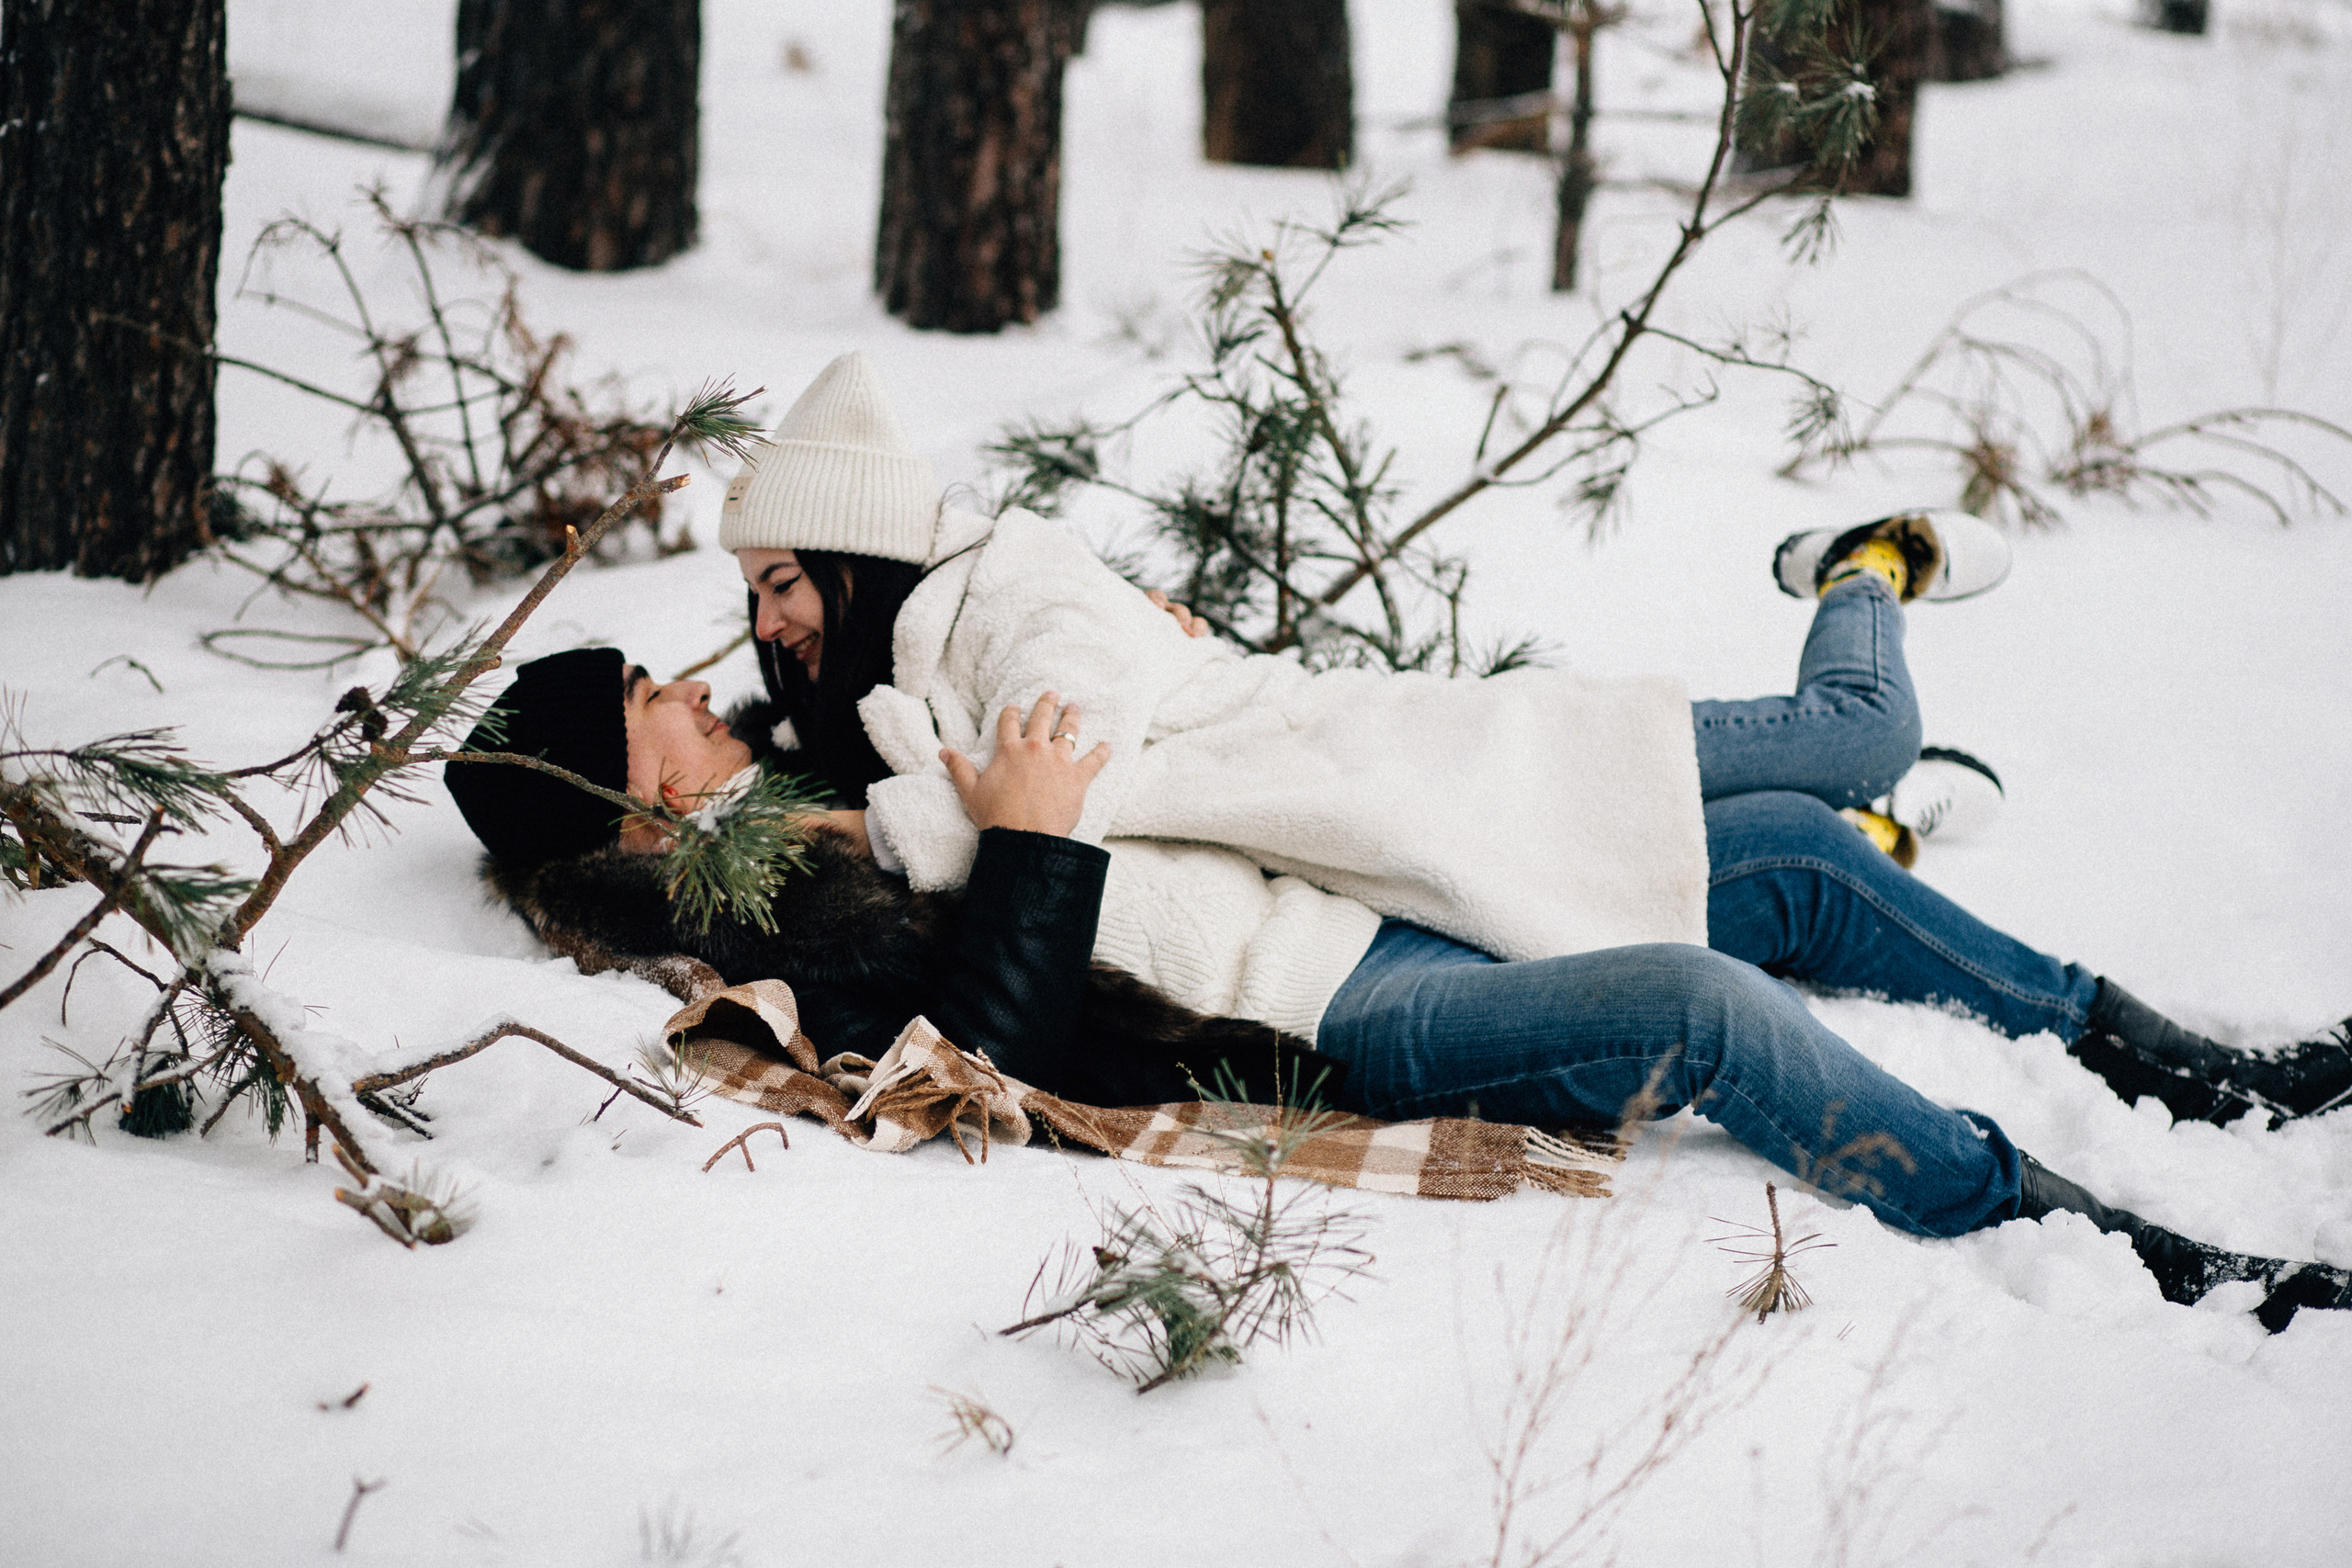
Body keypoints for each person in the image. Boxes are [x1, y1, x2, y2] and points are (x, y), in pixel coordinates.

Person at [442, 649, 2352, 1331]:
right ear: (632, 797)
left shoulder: (792, 782)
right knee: (1691, 994)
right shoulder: (778, 903)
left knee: (1787, 850)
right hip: (1322, 1014)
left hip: (1320, 898)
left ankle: (2173, 1064)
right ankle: (2085, 1231)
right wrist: (1028, 833)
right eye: (653, 710)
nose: (702, 692)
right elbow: (998, 1051)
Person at [715, 352, 2352, 1131]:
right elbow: (1047, 818)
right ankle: (2038, 960)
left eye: (783, 581)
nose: (769, 622)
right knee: (1796, 836)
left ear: (855, 556)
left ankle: (1860, 566)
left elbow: (1076, 760)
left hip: (1440, 761)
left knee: (1851, 735)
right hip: (1387, 829)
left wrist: (940, 819)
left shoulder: (1009, 581)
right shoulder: (889, 694)